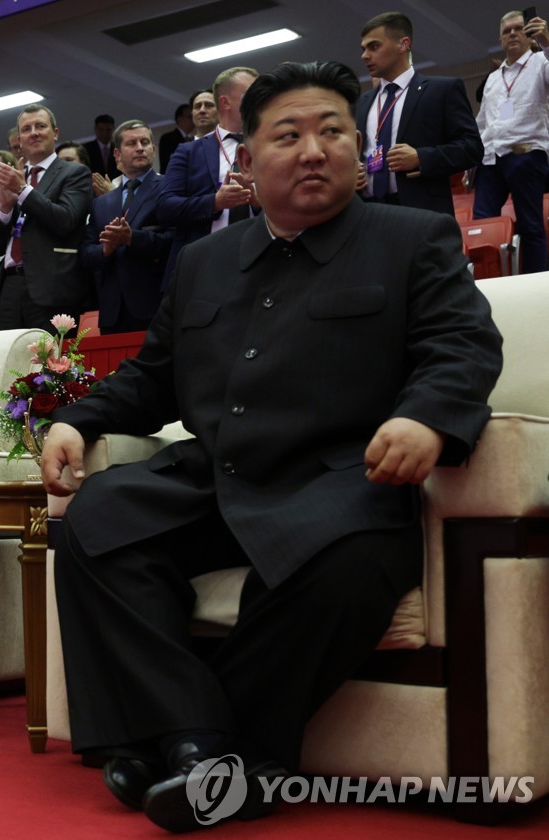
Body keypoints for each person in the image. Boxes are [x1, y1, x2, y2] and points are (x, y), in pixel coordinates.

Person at [41, 61, 502, 833]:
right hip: (216, 477)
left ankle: (191, 750)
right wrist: (76, 421)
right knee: (96, 520)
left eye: (333, 132)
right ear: (248, 162)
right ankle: (199, 741)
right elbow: (153, 377)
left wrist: (426, 416)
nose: (315, 149)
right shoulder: (202, 261)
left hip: (339, 483)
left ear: (359, 150)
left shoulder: (413, 238)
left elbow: (462, 347)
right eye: (289, 135)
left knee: (352, 563)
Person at [356, 12, 482, 216]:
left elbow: (472, 149)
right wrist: (352, 173)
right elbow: (356, 156)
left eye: (374, 46)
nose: (364, 56)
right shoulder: (361, 103)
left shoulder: (442, 90)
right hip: (369, 213)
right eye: (363, 49)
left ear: (403, 45)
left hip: (421, 212)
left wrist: (421, 158)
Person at [0, 104, 92, 333]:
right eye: (26, 129)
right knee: (10, 365)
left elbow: (65, 220)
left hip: (51, 287)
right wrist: (4, 208)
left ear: (55, 133)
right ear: (20, 140)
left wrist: (23, 191)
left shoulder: (74, 173)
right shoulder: (14, 177)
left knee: (50, 365)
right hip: (9, 286)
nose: (33, 132)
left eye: (40, 126)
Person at [158, 67, 260, 288]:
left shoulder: (270, 147)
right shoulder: (188, 151)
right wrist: (214, 202)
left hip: (260, 264)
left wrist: (258, 201)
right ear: (225, 103)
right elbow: (165, 207)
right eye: (251, 94)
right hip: (203, 267)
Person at [474, 10, 549, 274]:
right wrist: (472, 159)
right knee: (481, 226)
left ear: (528, 35)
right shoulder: (494, 79)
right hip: (491, 160)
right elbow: (483, 122)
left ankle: (536, 287)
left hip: (526, 155)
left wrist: (548, 43)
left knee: (530, 227)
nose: (513, 34)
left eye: (519, 29)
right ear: (500, 39)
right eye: (507, 31)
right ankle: (486, 287)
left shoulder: (541, 62)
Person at [81, 120, 172, 333]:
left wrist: (132, 238)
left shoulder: (170, 187)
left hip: (157, 305)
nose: (140, 147)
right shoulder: (101, 202)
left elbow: (177, 241)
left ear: (154, 149)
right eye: (131, 143)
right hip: (113, 312)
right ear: (117, 155)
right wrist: (106, 249)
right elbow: (85, 255)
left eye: (145, 142)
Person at [157, 103, 194, 174]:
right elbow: (167, 164)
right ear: (179, 119)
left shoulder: (193, 140)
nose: (193, 120)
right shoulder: (168, 138)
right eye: (190, 117)